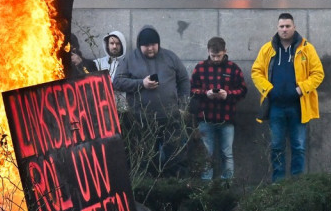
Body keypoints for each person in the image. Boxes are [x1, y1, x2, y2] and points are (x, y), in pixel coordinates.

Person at [252, 13, 325, 182]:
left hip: (299, 106)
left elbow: (318, 74)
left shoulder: (306, 48)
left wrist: (301, 90)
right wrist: (268, 89)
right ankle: (278, 185)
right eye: (281, 26)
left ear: (294, 27)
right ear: (277, 28)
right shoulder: (267, 49)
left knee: (298, 147)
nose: (284, 30)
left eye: (287, 26)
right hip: (275, 107)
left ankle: (297, 185)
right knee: (277, 147)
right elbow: (256, 72)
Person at [113, 25, 191, 175]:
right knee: (145, 160)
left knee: (175, 157)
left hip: (171, 117)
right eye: (146, 45)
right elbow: (117, 82)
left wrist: (183, 106)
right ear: (139, 45)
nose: (150, 48)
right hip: (142, 119)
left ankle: (176, 188)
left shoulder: (170, 57)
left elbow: (184, 81)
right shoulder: (130, 59)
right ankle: (148, 191)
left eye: (153, 45)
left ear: (158, 43)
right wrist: (141, 83)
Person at [190, 37, 247, 180]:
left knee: (227, 154)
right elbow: (191, 90)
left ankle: (226, 187)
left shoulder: (233, 69)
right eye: (213, 55)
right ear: (208, 52)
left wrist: (227, 94)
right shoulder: (200, 67)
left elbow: (243, 91)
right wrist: (205, 94)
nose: (215, 59)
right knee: (206, 155)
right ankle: (206, 187)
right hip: (205, 118)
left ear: (225, 52)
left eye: (219, 56)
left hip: (226, 119)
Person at [94, 30, 128, 111]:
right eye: (112, 43)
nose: (114, 46)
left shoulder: (128, 63)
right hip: (104, 108)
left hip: (122, 109)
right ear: (107, 45)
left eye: (118, 43)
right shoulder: (98, 63)